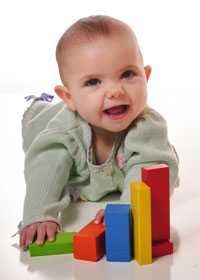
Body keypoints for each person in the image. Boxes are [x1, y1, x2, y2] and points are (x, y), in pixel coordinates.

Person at [19, 15, 179, 250]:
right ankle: (37, 103)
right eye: (93, 81)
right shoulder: (64, 131)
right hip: (42, 123)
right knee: (37, 118)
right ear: (69, 97)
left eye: (127, 74)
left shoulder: (147, 127)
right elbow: (45, 167)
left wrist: (129, 209)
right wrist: (39, 214)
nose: (115, 90)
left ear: (145, 77)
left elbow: (153, 169)